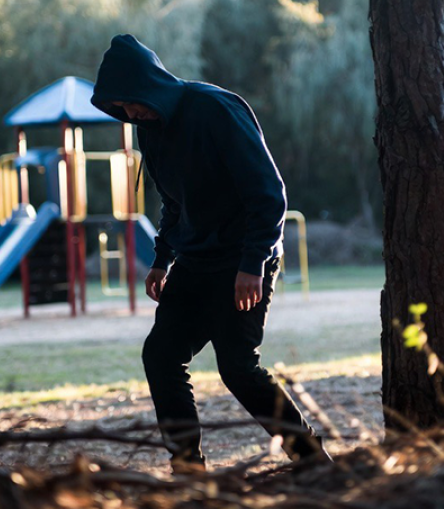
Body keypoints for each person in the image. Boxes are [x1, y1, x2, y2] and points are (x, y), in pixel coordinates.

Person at [89, 34, 328, 473]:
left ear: (150, 85)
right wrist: (162, 259)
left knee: (237, 367)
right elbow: (173, 203)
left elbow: (269, 192)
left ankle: (313, 460)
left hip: (242, 260)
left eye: (133, 102)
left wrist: (253, 263)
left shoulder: (215, 109)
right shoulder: (149, 130)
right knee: (161, 356)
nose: (130, 113)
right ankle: (188, 469)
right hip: (195, 262)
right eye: (121, 108)